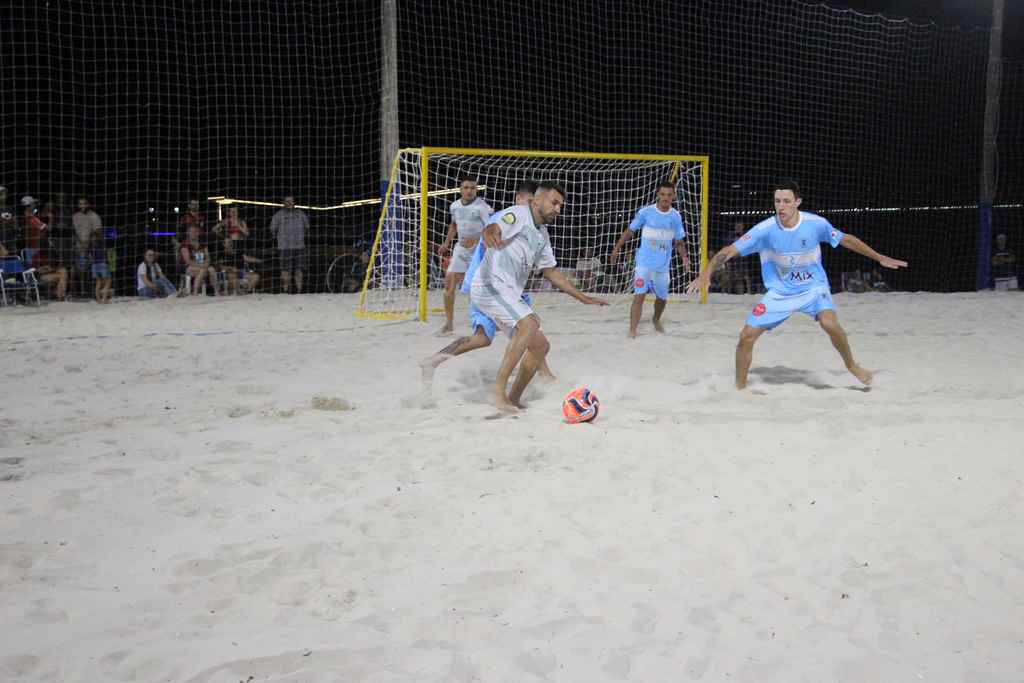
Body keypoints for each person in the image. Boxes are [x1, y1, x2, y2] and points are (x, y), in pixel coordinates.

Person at [687, 180, 907, 389]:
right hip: (780, 293)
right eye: (777, 201)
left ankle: (852, 366)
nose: (781, 207)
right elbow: (727, 251)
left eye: (786, 201)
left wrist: (878, 257)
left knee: (829, 324)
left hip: (813, 288)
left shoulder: (815, 224)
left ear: (797, 202)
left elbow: (846, 239)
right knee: (746, 336)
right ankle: (740, 388)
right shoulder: (764, 230)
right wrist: (706, 273)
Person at [428, 181, 607, 413]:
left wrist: (583, 298)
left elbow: (551, 271)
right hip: (489, 285)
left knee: (540, 346)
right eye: (554, 203)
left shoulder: (542, 234)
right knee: (527, 325)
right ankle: (497, 391)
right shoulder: (519, 214)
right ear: (536, 201)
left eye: (561, 206)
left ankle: (512, 399)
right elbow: (493, 227)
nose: (558, 209)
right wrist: (490, 231)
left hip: (508, 292)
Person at [422, 181, 557, 384]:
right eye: (529, 201)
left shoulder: (521, 223)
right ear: (518, 199)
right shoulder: (507, 218)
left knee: (483, 338)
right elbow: (490, 241)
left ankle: (432, 361)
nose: (532, 206)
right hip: (491, 285)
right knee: (528, 328)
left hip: (495, 285)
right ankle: (540, 375)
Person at [609, 182, 690, 338]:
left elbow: (679, 241)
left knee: (662, 298)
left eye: (669, 194)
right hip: (643, 264)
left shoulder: (676, 216)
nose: (665, 197)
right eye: (663, 194)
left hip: (662, 266)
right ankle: (632, 330)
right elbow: (630, 231)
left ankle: (656, 319)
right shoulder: (645, 212)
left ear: (673, 196)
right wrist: (617, 247)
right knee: (639, 295)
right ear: (657, 195)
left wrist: (684, 257)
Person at [436, 176, 493, 334]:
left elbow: (491, 228)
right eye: (466, 187)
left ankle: (489, 320)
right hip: (461, 249)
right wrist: (446, 244)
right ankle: (448, 324)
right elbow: (454, 225)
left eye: (472, 188)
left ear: (476, 190)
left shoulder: (482, 207)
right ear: (460, 190)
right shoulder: (454, 206)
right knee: (448, 283)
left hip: (479, 250)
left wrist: (475, 240)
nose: (469, 191)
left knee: (479, 288)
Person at [269, 195, 309, 293]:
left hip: (299, 247)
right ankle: (285, 291)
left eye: (292, 201)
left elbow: (307, 227)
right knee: (285, 270)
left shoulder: (301, 214)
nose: (290, 203)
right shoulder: (278, 215)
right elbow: (272, 230)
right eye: (287, 201)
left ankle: (299, 291)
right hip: (284, 248)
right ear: (283, 203)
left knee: (299, 270)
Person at [179, 224, 218, 296]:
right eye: (192, 232)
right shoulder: (185, 245)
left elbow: (208, 257)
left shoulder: (203, 244)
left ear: (198, 233)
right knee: (203, 270)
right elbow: (188, 261)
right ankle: (195, 292)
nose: (193, 233)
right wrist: (201, 266)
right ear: (188, 233)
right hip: (189, 267)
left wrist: (206, 264)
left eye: (195, 231)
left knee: (212, 269)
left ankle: (215, 292)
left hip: (202, 265)